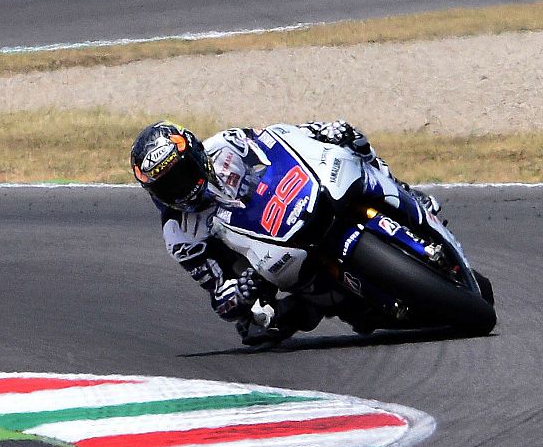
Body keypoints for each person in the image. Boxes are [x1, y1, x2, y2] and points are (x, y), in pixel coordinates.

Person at [129, 119, 441, 346]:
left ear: (195, 154)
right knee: (260, 326)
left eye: (181, 174)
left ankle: (404, 192)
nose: (179, 188)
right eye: (166, 185)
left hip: (289, 198)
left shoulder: (228, 143)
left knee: (352, 141)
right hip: (261, 261)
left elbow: (283, 138)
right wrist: (237, 292)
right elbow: (217, 293)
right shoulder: (179, 233)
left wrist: (322, 131)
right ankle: (324, 302)